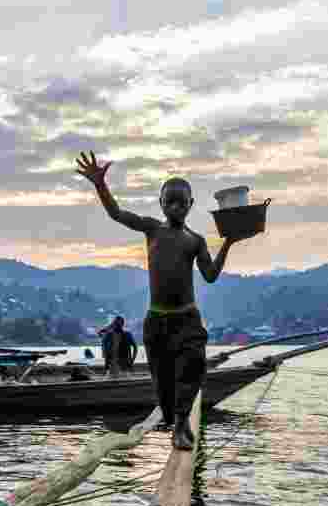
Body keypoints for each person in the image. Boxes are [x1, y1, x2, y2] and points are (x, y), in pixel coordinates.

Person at [76, 151, 238, 450]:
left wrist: (227, 243)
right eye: (170, 201)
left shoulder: (196, 240)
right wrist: (100, 184)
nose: (176, 206)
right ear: (161, 204)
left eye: (182, 201)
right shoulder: (152, 228)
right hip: (157, 320)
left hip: (187, 319)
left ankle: (180, 425)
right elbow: (117, 213)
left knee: (192, 367)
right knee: (162, 381)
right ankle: (170, 417)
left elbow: (211, 275)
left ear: (190, 205)